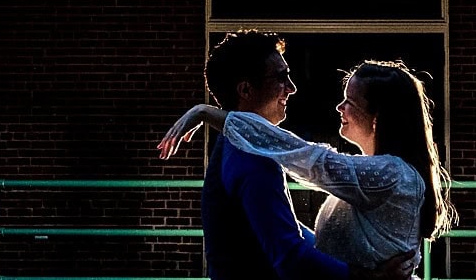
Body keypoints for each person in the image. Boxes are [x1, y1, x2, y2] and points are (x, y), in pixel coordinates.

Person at [160, 51, 452, 274]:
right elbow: (310, 244)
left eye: (350, 101)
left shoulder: (391, 174)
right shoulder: (374, 175)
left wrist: (207, 114)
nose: (340, 107)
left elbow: (311, 159)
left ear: (378, 118)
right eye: (281, 77)